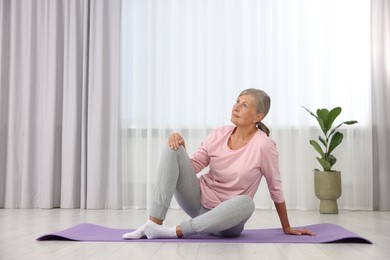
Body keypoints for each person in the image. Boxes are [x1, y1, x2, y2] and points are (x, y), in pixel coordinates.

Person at [123, 88, 315, 239]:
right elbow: (194, 165)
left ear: (258, 116)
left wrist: (287, 227)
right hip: (197, 203)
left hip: (227, 222)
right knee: (172, 148)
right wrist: (180, 146)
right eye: (237, 102)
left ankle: (174, 232)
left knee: (247, 203)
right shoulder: (219, 133)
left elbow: (275, 187)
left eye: (245, 105)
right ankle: (153, 223)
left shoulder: (264, 145)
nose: (236, 107)